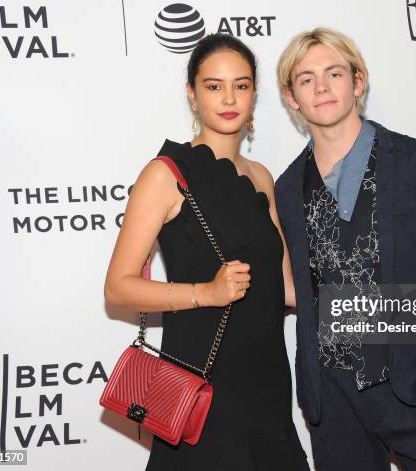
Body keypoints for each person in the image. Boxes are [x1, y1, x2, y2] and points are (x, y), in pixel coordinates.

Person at [275, 27, 416, 470]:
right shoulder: (288, 187)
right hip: (334, 401)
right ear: (292, 98)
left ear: (358, 82)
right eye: (307, 79)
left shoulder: (415, 162)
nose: (322, 87)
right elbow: (305, 294)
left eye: (334, 73)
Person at [104, 33, 308, 470]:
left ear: (255, 93)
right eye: (214, 86)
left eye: (242, 84)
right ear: (192, 94)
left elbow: (287, 289)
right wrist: (205, 293)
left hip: (270, 393)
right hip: (201, 394)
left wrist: (395, 307)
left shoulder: (261, 179)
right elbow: (118, 288)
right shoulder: (166, 174)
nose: (229, 97)